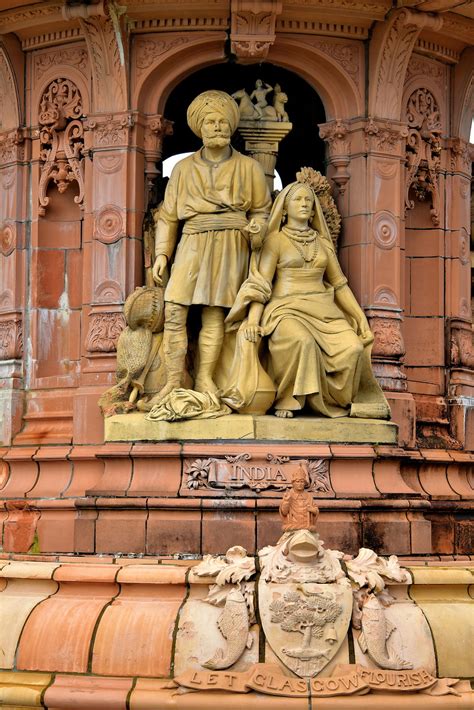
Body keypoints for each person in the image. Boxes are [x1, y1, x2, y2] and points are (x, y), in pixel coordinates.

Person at [151, 90, 271, 404]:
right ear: (200, 129)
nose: (217, 127)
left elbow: (261, 210)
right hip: (192, 242)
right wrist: (162, 254)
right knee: (175, 310)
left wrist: (258, 227)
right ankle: (173, 380)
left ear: (231, 127)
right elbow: (168, 215)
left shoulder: (249, 168)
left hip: (231, 243)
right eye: (210, 122)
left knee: (214, 314)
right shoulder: (184, 170)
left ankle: (205, 376)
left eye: (222, 122)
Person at [242, 178, 380, 419]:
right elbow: (261, 284)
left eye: (308, 200)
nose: (304, 204)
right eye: (297, 199)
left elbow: (340, 285)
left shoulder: (323, 243)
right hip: (285, 309)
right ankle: (289, 398)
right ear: (284, 208)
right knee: (302, 342)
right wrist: (253, 320)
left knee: (354, 348)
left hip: (325, 312)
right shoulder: (275, 241)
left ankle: (332, 402)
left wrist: (360, 319)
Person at [280, 465, 319, 531]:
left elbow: (316, 510)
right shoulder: (288, 495)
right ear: (293, 483)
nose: (300, 484)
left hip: (307, 527)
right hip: (293, 528)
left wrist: (312, 509)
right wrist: (286, 501)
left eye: (302, 482)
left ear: (304, 483)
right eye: (297, 481)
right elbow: (284, 512)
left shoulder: (308, 496)